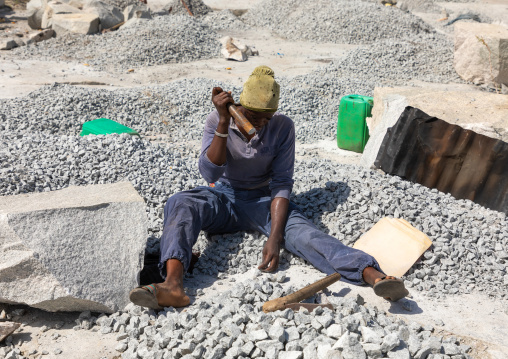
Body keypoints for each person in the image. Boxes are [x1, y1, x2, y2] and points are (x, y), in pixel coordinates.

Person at [129, 66, 408, 309]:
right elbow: (209, 172)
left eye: (267, 117)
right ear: (241, 106)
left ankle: (373, 275)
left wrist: (274, 238)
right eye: (255, 115)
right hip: (223, 196)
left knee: (306, 235)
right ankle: (173, 286)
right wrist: (225, 122)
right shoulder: (217, 120)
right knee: (180, 204)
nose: (261, 123)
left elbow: (282, 183)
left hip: (264, 201)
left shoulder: (283, 127)